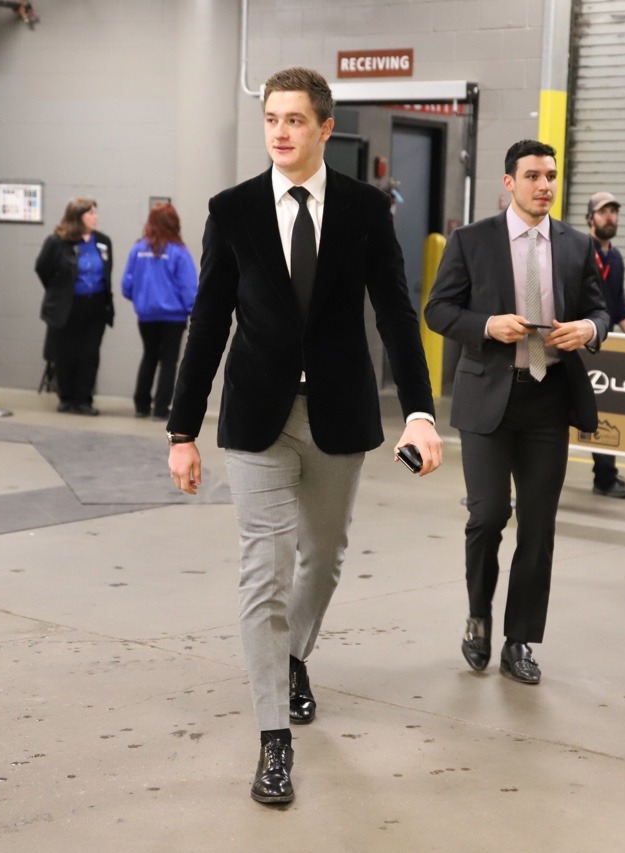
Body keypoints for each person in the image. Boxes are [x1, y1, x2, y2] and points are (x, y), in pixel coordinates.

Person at [166, 67, 443, 806]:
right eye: (271, 120)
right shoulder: (232, 211)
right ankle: (273, 740)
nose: (281, 132)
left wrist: (419, 409)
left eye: (295, 119)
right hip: (256, 418)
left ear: (325, 128)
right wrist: (181, 429)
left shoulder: (363, 210)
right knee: (265, 568)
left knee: (322, 558)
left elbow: (393, 311)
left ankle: (293, 656)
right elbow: (208, 322)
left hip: (338, 417)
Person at [425, 139, 608, 687]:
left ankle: (519, 640)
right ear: (509, 182)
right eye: (532, 176)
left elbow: (598, 306)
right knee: (486, 516)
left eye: (550, 176)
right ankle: (478, 615)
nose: (544, 185)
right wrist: (486, 326)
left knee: (539, 526)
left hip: (548, 400)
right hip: (488, 399)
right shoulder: (470, 241)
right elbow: (438, 309)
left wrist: (590, 329)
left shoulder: (576, 246)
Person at [34, 197, 114, 415]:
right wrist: (60, 289)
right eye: (90, 214)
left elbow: (107, 273)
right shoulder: (58, 241)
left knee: (90, 354)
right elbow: (43, 268)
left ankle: (84, 400)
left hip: (96, 306)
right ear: (77, 217)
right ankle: (66, 398)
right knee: (66, 353)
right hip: (67, 307)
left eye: (95, 213)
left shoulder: (103, 241)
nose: (95, 218)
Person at [120, 202, 198, 420]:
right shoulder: (178, 252)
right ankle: (161, 409)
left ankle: (141, 406)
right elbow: (189, 287)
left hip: (146, 316)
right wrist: (193, 311)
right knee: (168, 361)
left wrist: (141, 301)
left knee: (149, 356)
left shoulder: (138, 249)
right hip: (173, 318)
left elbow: (127, 284)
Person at [586, 191, 625, 499]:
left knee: (606, 412)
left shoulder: (615, 258)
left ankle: (604, 478)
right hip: (579, 343)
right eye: (603, 212)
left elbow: (619, 305)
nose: (610, 217)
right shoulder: (580, 251)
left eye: (614, 212)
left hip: (606, 346)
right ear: (590, 217)